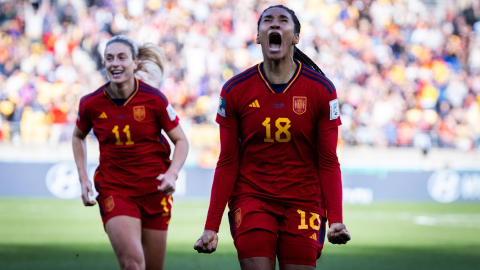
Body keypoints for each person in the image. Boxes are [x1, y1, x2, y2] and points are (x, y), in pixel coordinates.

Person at [194, 5, 350, 270]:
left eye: (282, 21)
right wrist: (211, 227)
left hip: (304, 200)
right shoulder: (235, 90)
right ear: (258, 37)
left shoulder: (321, 90)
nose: (274, 25)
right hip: (252, 198)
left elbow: (327, 160)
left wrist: (335, 219)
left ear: (296, 37)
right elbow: (228, 160)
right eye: (267, 21)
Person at [72, 35, 188, 270]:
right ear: (103, 63)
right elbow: (77, 136)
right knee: (133, 263)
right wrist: (83, 177)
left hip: (155, 190)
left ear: (135, 62)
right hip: (115, 189)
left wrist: (172, 174)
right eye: (109, 58)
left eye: (121, 58)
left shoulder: (155, 99)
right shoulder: (90, 103)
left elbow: (181, 141)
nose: (115, 63)